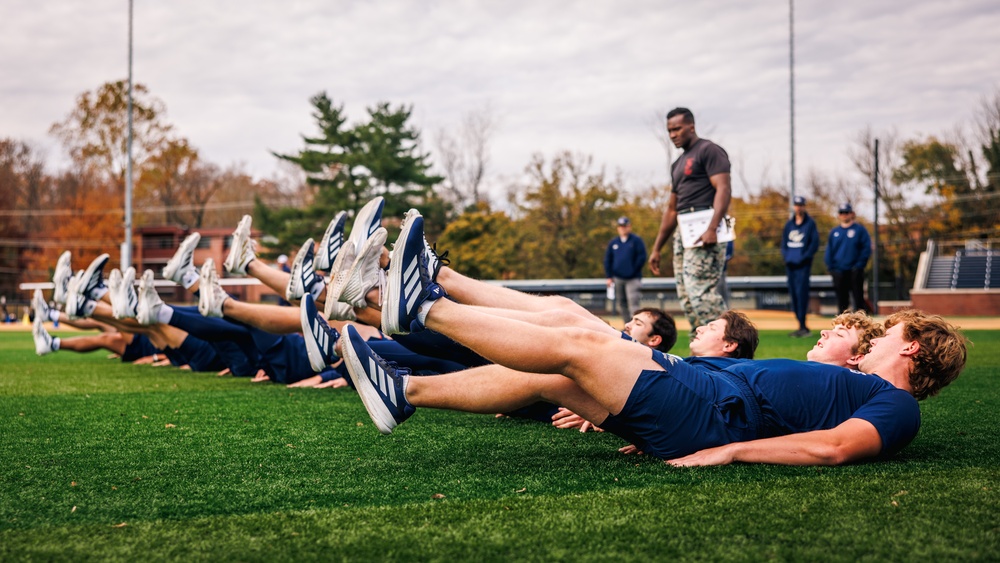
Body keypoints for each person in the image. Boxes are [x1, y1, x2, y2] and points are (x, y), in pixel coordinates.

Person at [346, 210, 968, 466]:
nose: (886, 332)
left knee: (579, 347)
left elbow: (833, 448)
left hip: (715, 417)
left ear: (914, 350)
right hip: (703, 390)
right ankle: (405, 387)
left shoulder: (898, 405)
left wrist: (730, 452)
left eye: (898, 331)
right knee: (562, 347)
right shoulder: (860, 379)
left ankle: (422, 305)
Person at [648, 107, 732, 331]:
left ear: (691, 127)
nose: (673, 134)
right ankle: (702, 350)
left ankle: (730, 347)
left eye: (677, 129)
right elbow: (672, 209)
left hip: (705, 225)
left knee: (700, 293)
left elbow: (723, 189)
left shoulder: (709, 150)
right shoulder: (677, 164)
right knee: (686, 296)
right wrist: (657, 248)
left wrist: (713, 227)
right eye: (669, 131)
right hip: (683, 230)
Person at [782, 196, 820, 337]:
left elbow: (814, 244)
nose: (798, 207)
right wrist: (787, 257)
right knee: (794, 295)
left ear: (804, 206)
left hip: (803, 266)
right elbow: (784, 244)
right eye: (796, 204)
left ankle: (803, 326)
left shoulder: (810, 224)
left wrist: (803, 258)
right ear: (794, 206)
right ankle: (800, 326)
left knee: (801, 294)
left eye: (801, 204)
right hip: (790, 265)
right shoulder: (789, 224)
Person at [825, 202, 872, 314]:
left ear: (852, 214)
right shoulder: (835, 232)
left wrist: (859, 265)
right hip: (838, 271)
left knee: (858, 300)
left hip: (855, 270)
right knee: (842, 302)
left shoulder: (859, 230)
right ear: (839, 215)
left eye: (846, 212)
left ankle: (862, 327)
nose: (844, 215)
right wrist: (831, 268)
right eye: (842, 212)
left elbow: (866, 248)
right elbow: (829, 251)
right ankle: (842, 327)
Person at [604, 216, 647, 324]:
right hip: (618, 278)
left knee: (633, 303)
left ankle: (637, 326)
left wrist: (633, 270)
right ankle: (627, 326)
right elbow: (608, 259)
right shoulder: (614, 243)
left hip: (633, 278)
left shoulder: (636, 241)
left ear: (629, 227)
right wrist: (609, 276)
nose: (623, 228)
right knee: (621, 304)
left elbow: (642, 257)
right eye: (621, 226)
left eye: (625, 226)